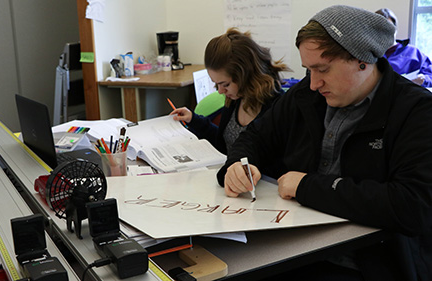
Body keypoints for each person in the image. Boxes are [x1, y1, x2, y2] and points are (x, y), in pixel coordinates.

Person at [217, 5, 432, 281]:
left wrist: (307, 187)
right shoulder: (304, 97)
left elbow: (412, 206)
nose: (314, 83)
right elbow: (254, 137)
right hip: (289, 250)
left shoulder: (415, 112)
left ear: (361, 60)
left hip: (366, 264)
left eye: (323, 69)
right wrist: (237, 165)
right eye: (308, 70)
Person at [170, 28, 289, 154]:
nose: (220, 91)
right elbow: (225, 143)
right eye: (216, 84)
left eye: (225, 84)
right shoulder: (236, 99)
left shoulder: (277, 108)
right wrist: (193, 120)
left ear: (245, 76)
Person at [376, 8, 432, 87]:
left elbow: (430, 75)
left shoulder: (413, 52)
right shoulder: (367, 53)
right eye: (381, 29)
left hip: (406, 96)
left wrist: (423, 79)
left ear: (396, 29)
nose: (386, 32)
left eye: (390, 28)